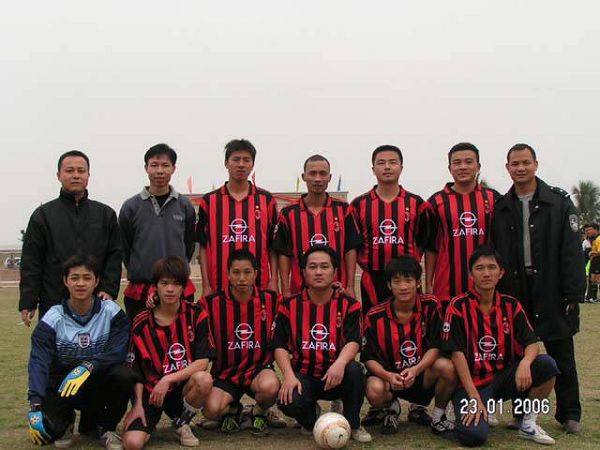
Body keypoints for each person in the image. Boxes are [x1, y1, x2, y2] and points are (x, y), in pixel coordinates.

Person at [492, 143, 586, 433]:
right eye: (515, 164)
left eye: (526, 162)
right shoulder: (502, 207)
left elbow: (572, 251)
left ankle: (569, 414)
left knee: (561, 352)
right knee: (519, 355)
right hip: (515, 289)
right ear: (507, 168)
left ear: (535, 164)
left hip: (551, 288)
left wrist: (573, 293)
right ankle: (521, 414)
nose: (520, 168)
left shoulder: (558, 203)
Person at [345, 144, 431, 425]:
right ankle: (382, 402)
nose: (387, 167)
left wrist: (417, 276)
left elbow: (425, 242)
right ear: (373, 169)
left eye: (392, 162)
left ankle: (418, 403)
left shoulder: (417, 204)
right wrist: (350, 282)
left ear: (401, 167)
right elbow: (352, 246)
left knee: (415, 335)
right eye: (381, 162)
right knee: (377, 338)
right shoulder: (359, 205)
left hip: (408, 281)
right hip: (374, 279)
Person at [442, 246, 559, 446]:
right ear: (470, 275)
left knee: (547, 365)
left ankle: (528, 423)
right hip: (472, 384)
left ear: (501, 272)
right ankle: (462, 410)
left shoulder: (511, 305)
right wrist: (473, 397)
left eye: (491, 267)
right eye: (479, 268)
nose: (486, 273)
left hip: (503, 379)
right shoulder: (458, 306)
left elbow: (532, 342)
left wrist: (525, 362)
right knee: (474, 437)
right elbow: (456, 354)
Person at [27, 254, 134, 449]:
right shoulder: (53, 317)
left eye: (87, 277)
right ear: (65, 281)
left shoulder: (111, 312)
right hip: (63, 383)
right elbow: (38, 360)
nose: (81, 283)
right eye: (74, 278)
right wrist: (34, 404)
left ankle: (105, 427)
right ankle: (65, 422)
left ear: (97, 281)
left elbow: (118, 351)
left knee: (123, 375)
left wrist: (88, 366)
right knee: (49, 433)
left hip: (96, 381)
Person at [273, 245, 372, 443]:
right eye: (312, 267)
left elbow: (354, 341)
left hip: (336, 375)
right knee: (288, 400)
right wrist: (289, 376)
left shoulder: (350, 305)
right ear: (303, 272)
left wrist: (340, 363)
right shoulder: (289, 305)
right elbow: (279, 345)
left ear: (334, 271)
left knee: (355, 371)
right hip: (305, 375)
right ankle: (312, 419)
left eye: (324, 267)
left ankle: (353, 424)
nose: (318, 272)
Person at [19, 151, 122, 325]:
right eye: (69, 170)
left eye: (81, 171)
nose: (76, 175)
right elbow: (31, 261)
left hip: (96, 304)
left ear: (88, 175)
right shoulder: (43, 216)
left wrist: (108, 289)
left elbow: (115, 255)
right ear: (59, 175)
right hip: (53, 302)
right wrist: (28, 301)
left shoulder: (105, 215)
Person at [122, 256, 214, 449]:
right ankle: (149, 421)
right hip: (152, 393)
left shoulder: (197, 314)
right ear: (155, 286)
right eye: (164, 283)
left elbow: (202, 362)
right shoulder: (141, 322)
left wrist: (168, 379)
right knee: (132, 443)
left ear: (184, 287)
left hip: (181, 390)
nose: (170, 289)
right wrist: (137, 405)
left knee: (203, 379)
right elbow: (135, 371)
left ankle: (182, 422)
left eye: (176, 284)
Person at [363, 256, 456, 436]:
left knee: (448, 367)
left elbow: (436, 345)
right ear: (389, 285)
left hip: (421, 374)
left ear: (418, 283)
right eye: (397, 281)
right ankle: (391, 408)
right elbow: (368, 358)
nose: (403, 286)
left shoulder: (431, 305)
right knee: (374, 389)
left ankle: (438, 416)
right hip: (391, 378)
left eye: (408, 280)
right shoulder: (375, 316)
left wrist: (416, 369)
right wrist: (389, 376)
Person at [201, 249, 281, 435]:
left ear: (256, 274)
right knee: (210, 410)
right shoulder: (211, 303)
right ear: (228, 274)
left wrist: (334, 291)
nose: (242, 278)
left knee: (270, 387)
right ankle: (233, 409)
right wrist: (154, 301)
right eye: (236, 272)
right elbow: (184, 312)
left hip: (258, 371)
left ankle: (259, 412)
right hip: (225, 374)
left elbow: (299, 304)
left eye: (247, 272)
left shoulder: (271, 300)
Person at [119, 143, 197, 320]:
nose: (160, 171)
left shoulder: (185, 206)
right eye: (154, 165)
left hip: (177, 290)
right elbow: (125, 247)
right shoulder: (131, 207)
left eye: (165, 165)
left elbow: (188, 245)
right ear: (146, 168)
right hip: (140, 292)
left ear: (173, 168)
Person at [195, 139, 278, 295]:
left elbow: (273, 245)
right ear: (226, 163)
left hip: (259, 287)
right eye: (236, 159)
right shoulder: (209, 201)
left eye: (246, 160)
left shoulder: (266, 200)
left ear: (252, 164)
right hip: (219, 287)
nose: (241, 164)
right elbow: (203, 246)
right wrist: (206, 285)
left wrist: (274, 280)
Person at [425, 142, 499, 304]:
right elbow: (431, 247)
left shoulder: (494, 198)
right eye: (457, 163)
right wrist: (428, 284)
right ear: (450, 168)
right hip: (447, 288)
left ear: (478, 166)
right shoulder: (436, 202)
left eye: (468, 162)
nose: (463, 167)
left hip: (487, 287)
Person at [274, 154, 350, 296]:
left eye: (322, 174)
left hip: (338, 291)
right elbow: (284, 253)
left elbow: (350, 249)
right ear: (304, 177)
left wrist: (350, 286)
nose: (317, 179)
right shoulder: (288, 213)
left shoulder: (343, 209)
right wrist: (285, 289)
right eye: (312, 173)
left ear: (330, 177)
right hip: (299, 292)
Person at [583, 223, 599, 302]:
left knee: (596, 279)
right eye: (587, 230)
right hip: (593, 261)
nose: (588, 231)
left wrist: (592, 253)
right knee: (592, 280)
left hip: (597, 261)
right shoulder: (592, 239)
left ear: (595, 229)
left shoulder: (598, 238)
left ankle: (593, 297)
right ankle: (592, 297)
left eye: (590, 229)